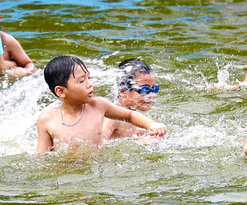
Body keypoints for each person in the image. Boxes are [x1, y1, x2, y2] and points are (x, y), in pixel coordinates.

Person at [36, 56, 167, 153]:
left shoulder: (99, 106)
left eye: (90, 78)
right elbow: (42, 159)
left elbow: (130, 115)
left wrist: (151, 125)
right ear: (61, 91)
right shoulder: (47, 120)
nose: (90, 84)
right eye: (82, 81)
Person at [111, 57, 160, 139]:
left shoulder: (133, 115)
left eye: (155, 89)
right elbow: (97, 145)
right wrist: (141, 143)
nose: (152, 95)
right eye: (145, 89)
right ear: (123, 91)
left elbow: (127, 133)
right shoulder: (112, 118)